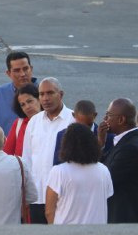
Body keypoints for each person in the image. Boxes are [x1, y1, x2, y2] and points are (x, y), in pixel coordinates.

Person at [21, 77, 73, 224]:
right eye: (41, 94)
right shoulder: (34, 122)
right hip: (37, 196)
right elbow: (27, 159)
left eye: (50, 93)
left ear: (61, 95)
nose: (45, 98)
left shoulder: (73, 120)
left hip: (63, 197)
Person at [45, 123, 113, 225]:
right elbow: (107, 198)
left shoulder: (58, 171)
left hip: (66, 234)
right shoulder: (104, 170)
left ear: (66, 145)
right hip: (97, 234)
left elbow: (49, 211)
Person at [99, 98, 138, 223]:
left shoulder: (129, 148)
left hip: (125, 217)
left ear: (121, 120)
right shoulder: (126, 140)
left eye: (109, 115)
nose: (105, 119)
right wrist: (101, 143)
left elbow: (106, 181)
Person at [0, 51, 37, 133]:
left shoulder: (44, 93)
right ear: (8, 73)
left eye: (25, 69)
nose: (22, 74)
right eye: (17, 70)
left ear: (31, 69)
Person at [52, 100, 102, 165]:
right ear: (73, 115)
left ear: (95, 115)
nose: (85, 130)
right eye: (81, 126)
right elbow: (58, 163)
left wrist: (101, 144)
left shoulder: (105, 135)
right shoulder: (62, 135)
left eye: (88, 125)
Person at [2, 83, 40, 156]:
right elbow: (7, 154)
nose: (27, 107)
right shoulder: (19, 124)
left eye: (29, 101)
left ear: (39, 99)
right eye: (23, 105)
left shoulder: (51, 121)